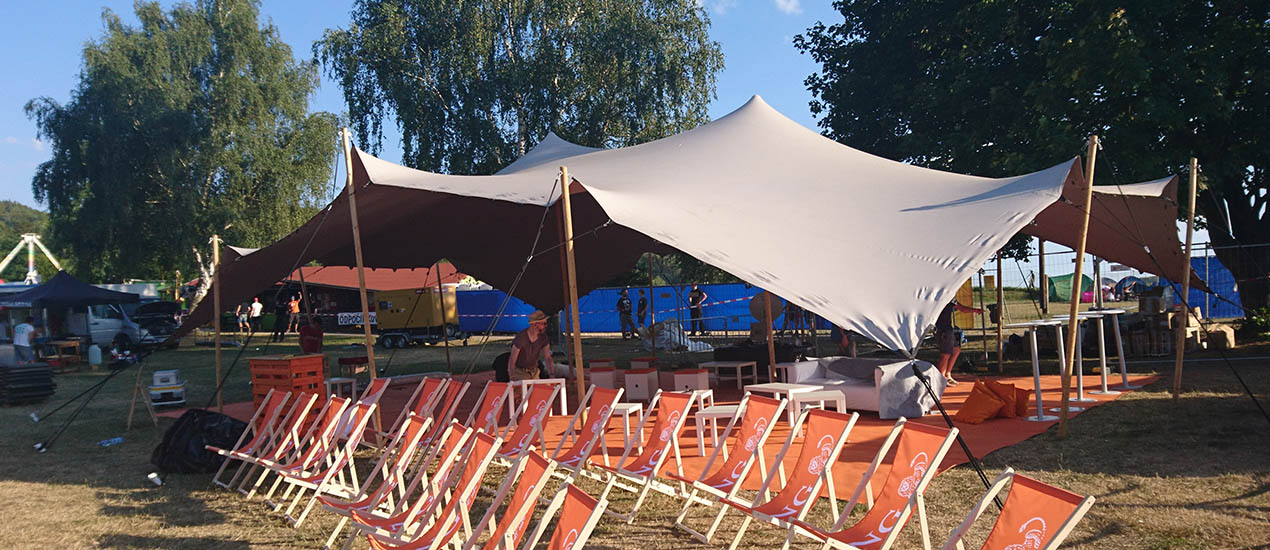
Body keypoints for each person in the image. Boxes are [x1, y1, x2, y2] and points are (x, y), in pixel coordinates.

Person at [935, 299, 982, 385]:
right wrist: (975, 310)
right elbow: (963, 309)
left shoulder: (951, 298)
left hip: (948, 328)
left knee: (956, 350)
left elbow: (962, 308)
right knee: (945, 355)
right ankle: (940, 380)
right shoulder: (942, 297)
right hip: (943, 329)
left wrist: (975, 310)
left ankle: (947, 375)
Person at [508, 310, 553, 381]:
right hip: (520, 372)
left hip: (534, 371)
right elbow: (512, 359)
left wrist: (552, 374)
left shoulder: (543, 337)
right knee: (523, 387)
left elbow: (548, 358)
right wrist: (512, 376)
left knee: (540, 388)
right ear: (534, 324)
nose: (546, 326)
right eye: (543, 324)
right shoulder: (521, 338)